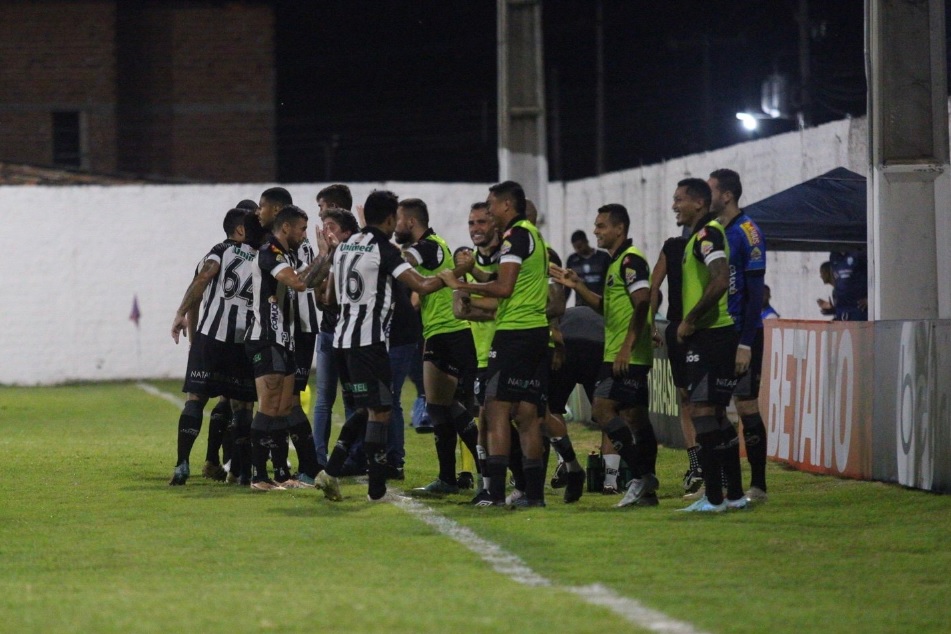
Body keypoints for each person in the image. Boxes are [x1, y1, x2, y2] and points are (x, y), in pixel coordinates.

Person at [315, 190, 447, 502]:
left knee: (366, 409)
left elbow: (329, 298)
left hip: (342, 341)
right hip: (369, 343)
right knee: (381, 411)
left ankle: (331, 471)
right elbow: (423, 284)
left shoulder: (346, 247)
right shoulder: (384, 250)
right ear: (389, 219)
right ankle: (376, 487)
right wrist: (454, 274)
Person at [439, 181, 550, 508]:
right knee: (527, 414)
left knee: (495, 411)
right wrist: (474, 275)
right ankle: (534, 495)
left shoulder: (515, 236)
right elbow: (502, 280)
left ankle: (497, 494)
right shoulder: (531, 233)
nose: (488, 211)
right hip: (535, 332)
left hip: (514, 333)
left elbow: (504, 288)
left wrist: (458, 283)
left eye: (491, 206)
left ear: (506, 206)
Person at [552, 204, 658, 509]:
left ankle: (640, 477)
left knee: (602, 409)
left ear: (619, 229)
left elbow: (642, 303)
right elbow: (608, 308)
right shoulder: (614, 264)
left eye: (601, 226)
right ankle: (647, 490)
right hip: (622, 352)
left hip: (625, 355)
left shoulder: (630, 260)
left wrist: (626, 346)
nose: (596, 231)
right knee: (636, 420)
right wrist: (578, 286)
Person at [393, 197, 480, 495]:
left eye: (398, 220)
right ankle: (447, 478)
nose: (395, 225)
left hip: (451, 332)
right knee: (439, 407)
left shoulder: (428, 245)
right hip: (441, 332)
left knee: (453, 407)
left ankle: (491, 470)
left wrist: (380, 250)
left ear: (412, 222)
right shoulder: (437, 243)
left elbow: (404, 262)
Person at [245, 205, 334, 491]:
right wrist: (320, 256)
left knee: (282, 408)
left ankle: (278, 475)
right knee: (269, 405)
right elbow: (297, 283)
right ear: (286, 228)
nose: (304, 234)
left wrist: (326, 257)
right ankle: (258, 476)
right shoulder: (269, 251)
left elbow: (312, 282)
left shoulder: (286, 254)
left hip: (285, 338)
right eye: (302, 228)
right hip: (266, 338)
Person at [168, 207, 257, 486]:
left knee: (196, 399)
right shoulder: (261, 255)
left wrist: (181, 312)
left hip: (211, 337)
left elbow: (203, 279)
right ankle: (241, 472)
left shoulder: (219, 250)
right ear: (240, 229)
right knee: (242, 406)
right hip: (244, 341)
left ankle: (182, 464)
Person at [675, 178, 746, 512]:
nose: (675, 205)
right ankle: (733, 494)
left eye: (680, 200)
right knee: (715, 416)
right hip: (716, 335)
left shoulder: (706, 235)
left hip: (711, 336)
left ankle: (714, 497)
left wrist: (690, 319)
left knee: (702, 414)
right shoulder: (698, 238)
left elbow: (720, 279)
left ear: (698, 204)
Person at [709, 168, 770, 503]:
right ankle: (725, 480)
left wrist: (746, 343)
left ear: (727, 195)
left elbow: (755, 293)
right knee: (713, 408)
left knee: (746, 406)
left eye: (712, 191)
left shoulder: (749, 233)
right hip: (717, 334)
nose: (708, 197)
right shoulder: (717, 231)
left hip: (742, 336)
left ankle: (758, 485)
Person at [650, 184, 700, 496]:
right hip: (677, 331)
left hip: (706, 331)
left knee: (707, 402)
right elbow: (653, 287)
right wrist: (649, 322)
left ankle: (713, 465)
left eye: (678, 200)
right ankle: (696, 464)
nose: (673, 206)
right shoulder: (672, 246)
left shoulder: (712, 241)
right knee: (685, 397)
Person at [452, 202, 501, 501]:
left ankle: (524, 483)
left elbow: (500, 306)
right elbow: (460, 310)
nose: (475, 228)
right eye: (471, 223)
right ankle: (487, 484)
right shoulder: (468, 270)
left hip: (505, 350)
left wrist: (474, 301)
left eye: (482, 222)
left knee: (522, 419)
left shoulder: (504, 262)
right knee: (482, 422)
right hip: (477, 356)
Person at [311, 186, 358, 470]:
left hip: (353, 335)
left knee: (354, 399)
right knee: (323, 400)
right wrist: (325, 256)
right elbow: (319, 298)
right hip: (329, 332)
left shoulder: (358, 249)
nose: (322, 225)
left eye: (329, 223)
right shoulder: (325, 254)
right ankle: (317, 459)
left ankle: (353, 458)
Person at [564, 229, 612, 308]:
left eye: (580, 246)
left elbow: (611, 281)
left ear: (586, 241)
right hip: (580, 306)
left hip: (600, 304)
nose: (578, 249)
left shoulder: (603, 257)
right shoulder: (572, 260)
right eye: (575, 247)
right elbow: (567, 287)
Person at [817, 252, 868, 321]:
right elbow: (844, 311)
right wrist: (832, 310)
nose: (820, 276)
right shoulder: (836, 293)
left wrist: (869, 300)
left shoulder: (852, 285)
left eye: (822, 272)